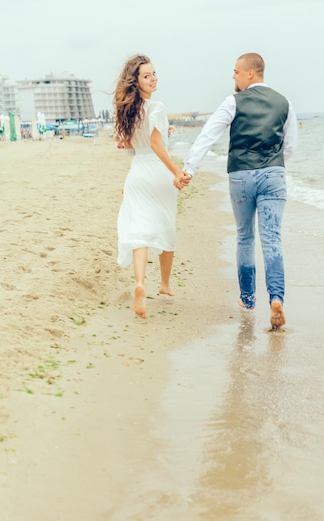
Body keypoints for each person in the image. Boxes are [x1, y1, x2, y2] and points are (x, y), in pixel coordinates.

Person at [184, 53, 298, 329]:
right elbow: (291, 146)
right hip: (273, 175)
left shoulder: (232, 102)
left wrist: (189, 168)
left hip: (240, 176)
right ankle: (276, 298)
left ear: (251, 73)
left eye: (236, 71)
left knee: (245, 237)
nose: (232, 76)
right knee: (272, 239)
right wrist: (271, 165)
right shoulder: (285, 103)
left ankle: (248, 299)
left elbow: (208, 135)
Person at [114, 54, 190, 319]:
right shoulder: (156, 107)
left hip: (137, 173)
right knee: (165, 224)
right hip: (157, 173)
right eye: (147, 75)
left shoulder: (128, 111)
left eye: (154, 73)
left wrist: (129, 180)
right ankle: (166, 284)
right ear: (136, 81)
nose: (153, 78)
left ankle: (139, 282)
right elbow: (156, 145)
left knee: (140, 230)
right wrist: (177, 171)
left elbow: (132, 147)